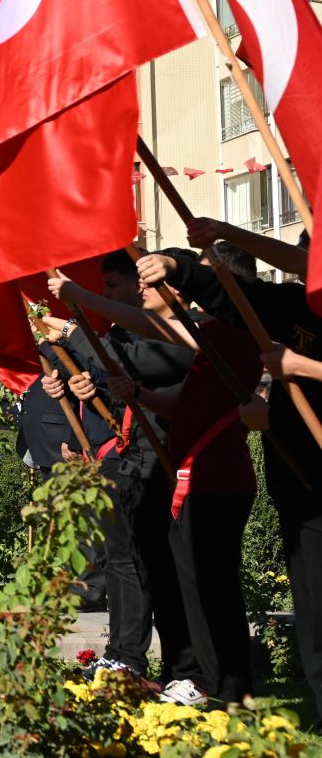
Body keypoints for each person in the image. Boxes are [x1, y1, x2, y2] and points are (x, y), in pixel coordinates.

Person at [51, 265, 261, 707]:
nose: (144, 287)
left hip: (198, 471)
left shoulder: (204, 330)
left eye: (153, 281)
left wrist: (75, 325)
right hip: (162, 465)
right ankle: (185, 672)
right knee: (160, 574)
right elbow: (168, 394)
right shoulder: (183, 332)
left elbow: (146, 361)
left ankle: (210, 679)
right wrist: (104, 390)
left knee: (200, 582)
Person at [139, 234, 322, 712]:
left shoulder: (238, 329)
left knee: (217, 586)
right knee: (312, 608)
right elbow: (241, 303)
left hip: (232, 477)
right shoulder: (291, 305)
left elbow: (166, 331)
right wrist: (182, 268)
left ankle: (224, 682)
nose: (305, 272)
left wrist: (302, 366)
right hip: (300, 479)